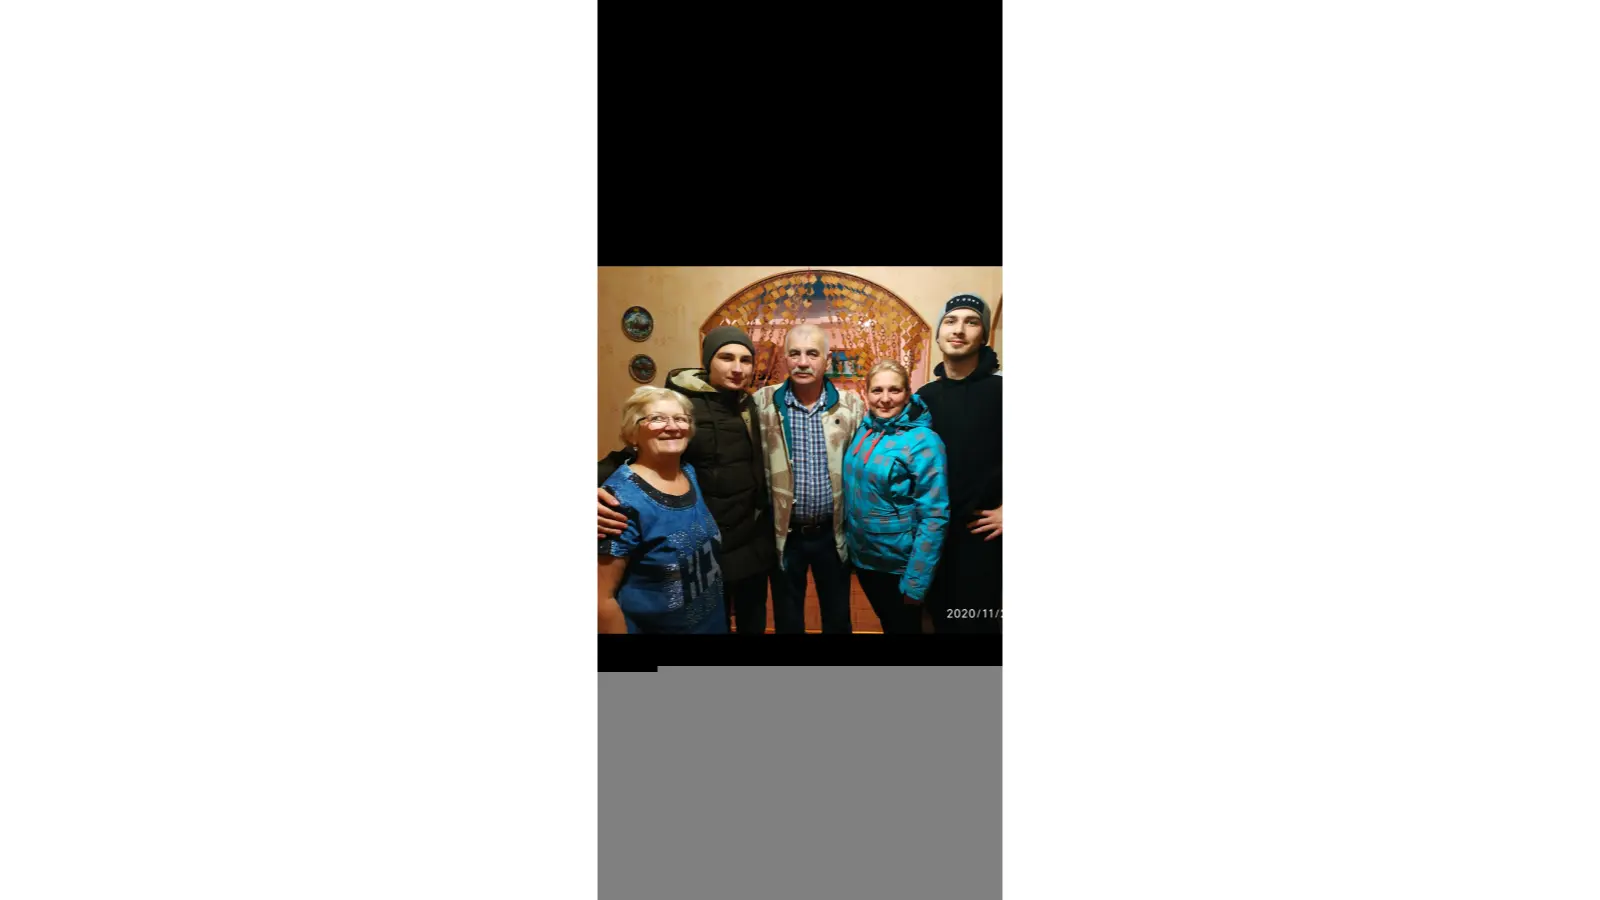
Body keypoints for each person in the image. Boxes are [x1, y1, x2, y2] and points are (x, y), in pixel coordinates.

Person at [596, 326, 778, 633]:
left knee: (749, 621)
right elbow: (632, 452)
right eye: (726, 358)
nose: (737, 368)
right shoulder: (682, 407)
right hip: (704, 545)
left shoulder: (749, 406)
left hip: (750, 545)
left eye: (745, 360)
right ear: (708, 362)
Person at [750, 324, 867, 633]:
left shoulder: (851, 405)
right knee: (788, 619)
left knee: (838, 616)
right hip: (785, 536)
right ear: (784, 359)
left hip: (833, 533)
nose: (803, 362)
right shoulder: (762, 403)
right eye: (795, 353)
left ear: (826, 361)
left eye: (812, 354)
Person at [597, 386, 726, 634]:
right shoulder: (618, 502)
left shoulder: (688, 472)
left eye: (680, 418)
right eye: (657, 418)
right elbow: (600, 600)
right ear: (633, 433)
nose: (672, 426)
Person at [916, 294, 1003, 633]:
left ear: (984, 336)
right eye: (950, 321)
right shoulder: (923, 398)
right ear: (939, 333)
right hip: (935, 541)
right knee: (939, 622)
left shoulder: (1003, 391)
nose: (959, 329)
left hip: (986, 540)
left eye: (971, 322)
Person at [842, 360, 949, 633]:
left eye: (895, 390)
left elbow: (935, 516)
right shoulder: (865, 429)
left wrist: (916, 581)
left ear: (908, 393)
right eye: (877, 390)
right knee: (888, 623)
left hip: (898, 566)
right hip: (864, 559)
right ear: (866, 393)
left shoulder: (924, 441)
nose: (885, 399)